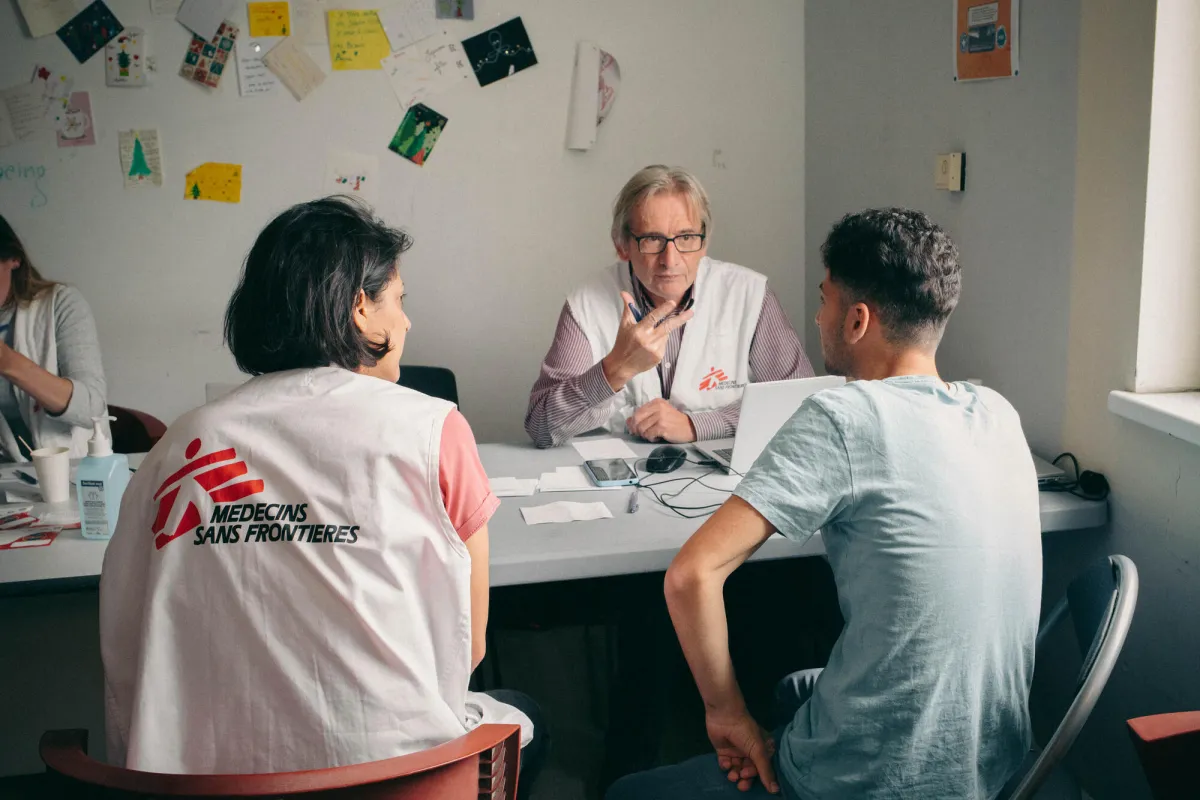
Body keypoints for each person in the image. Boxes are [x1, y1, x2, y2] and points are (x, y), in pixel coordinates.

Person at [99, 197, 545, 796]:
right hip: (393, 778)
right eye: (399, 300)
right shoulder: (432, 428)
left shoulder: (183, 443)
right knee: (521, 711)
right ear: (361, 308)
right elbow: (468, 647)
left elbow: (128, 636)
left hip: (203, 779)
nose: (407, 322)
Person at [607, 209, 1042, 799]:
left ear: (858, 320)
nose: (818, 317)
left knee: (627, 793)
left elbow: (690, 576)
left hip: (865, 781)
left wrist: (728, 717)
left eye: (825, 299)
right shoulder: (997, 412)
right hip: (992, 771)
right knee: (795, 685)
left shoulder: (844, 417)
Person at [525, 165, 813, 447]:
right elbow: (540, 427)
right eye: (653, 240)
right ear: (622, 245)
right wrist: (615, 369)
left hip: (718, 480)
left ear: (705, 241)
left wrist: (696, 425)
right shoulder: (586, 304)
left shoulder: (749, 294)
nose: (670, 260)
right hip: (616, 477)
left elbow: (803, 406)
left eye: (686, 238)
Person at [0, 215, 107, 460]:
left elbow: (92, 407)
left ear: (13, 259)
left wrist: (7, 361)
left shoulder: (61, 304)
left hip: (69, 470)